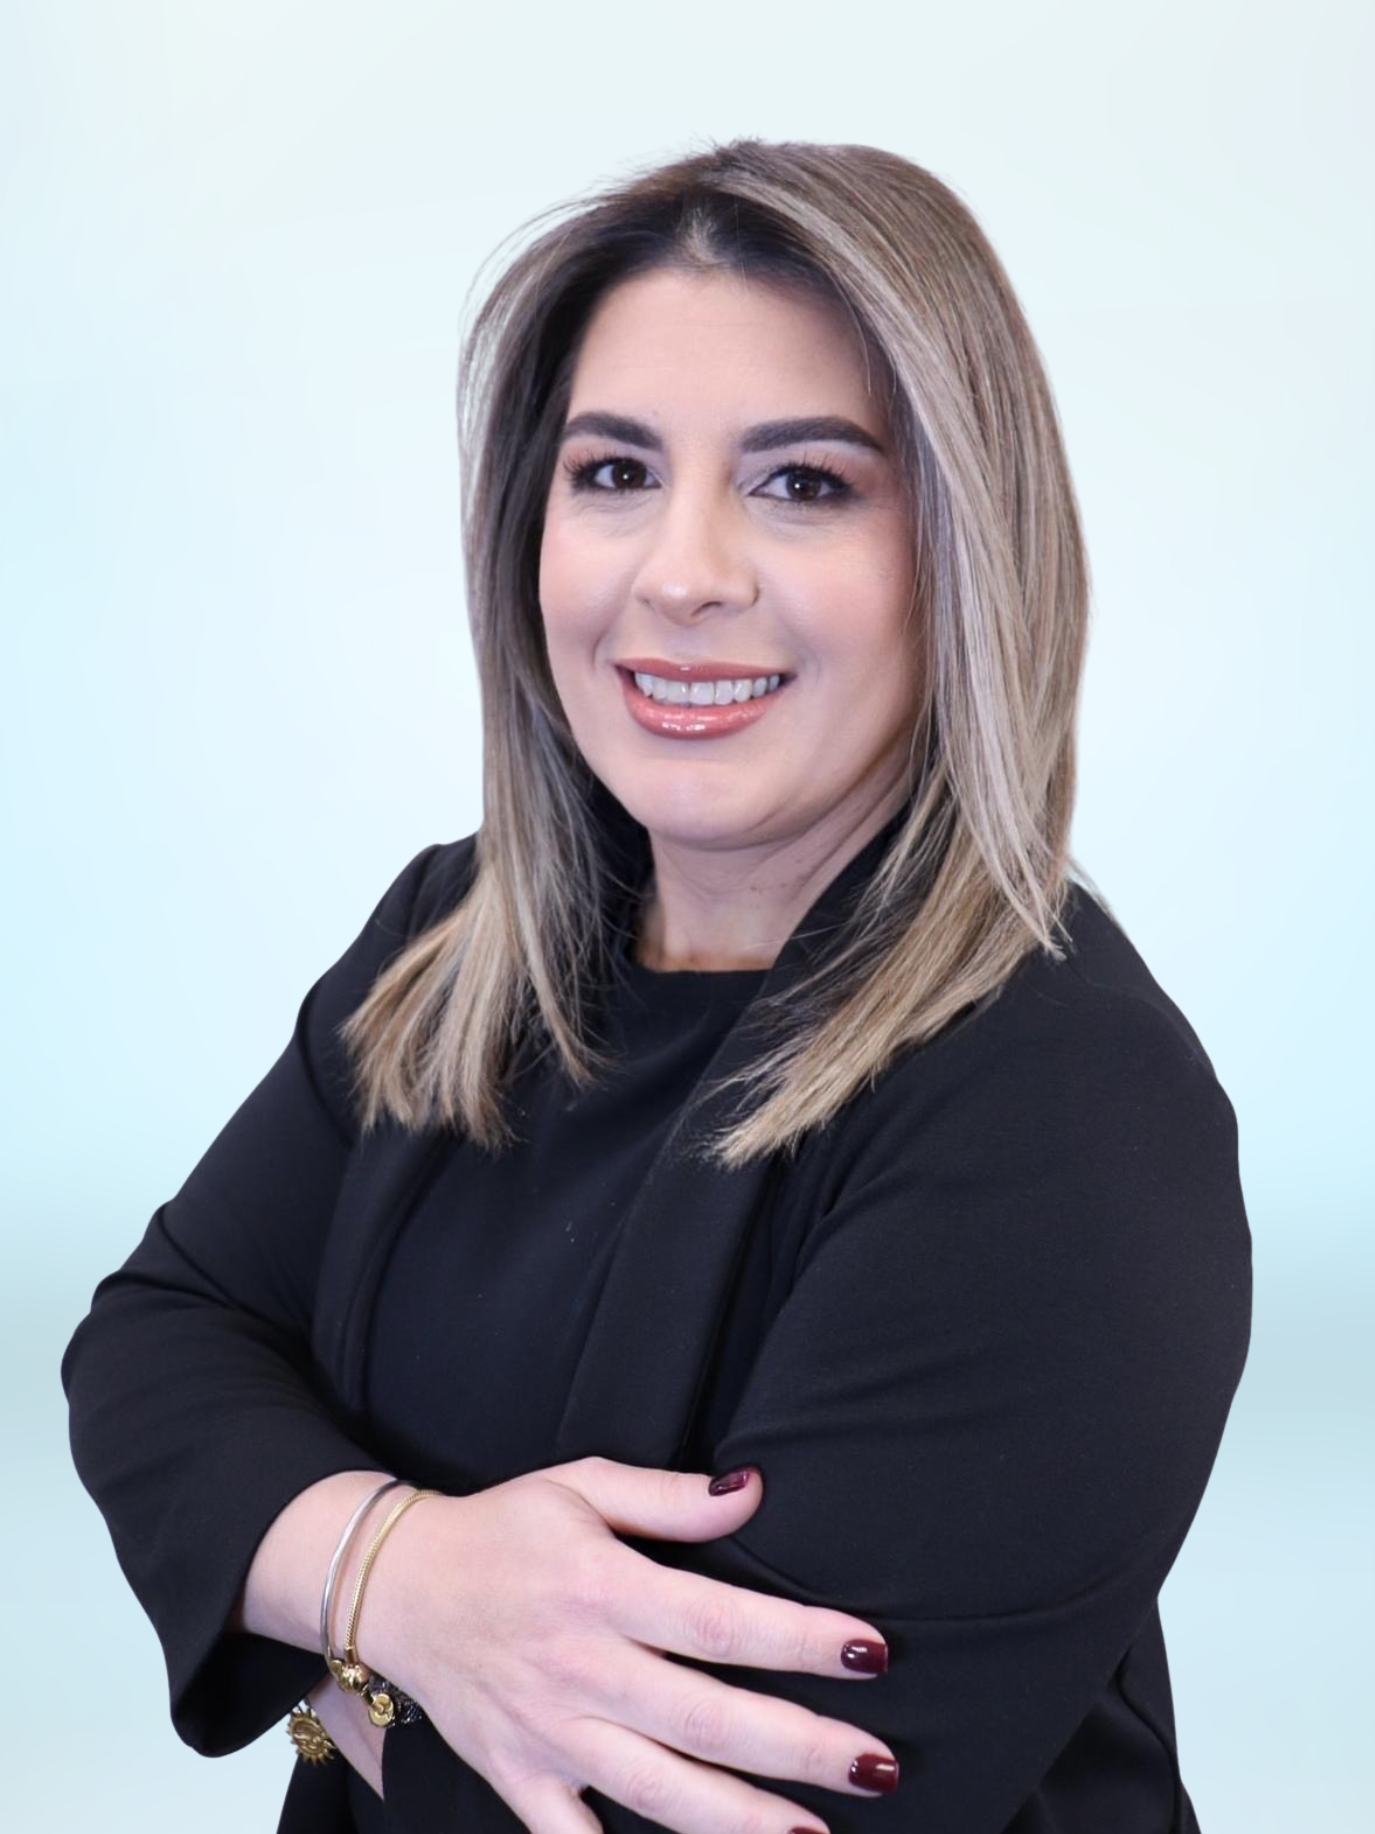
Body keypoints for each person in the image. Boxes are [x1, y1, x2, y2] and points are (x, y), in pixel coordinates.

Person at [61, 137, 1252, 1834]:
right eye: (613, 471)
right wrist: (404, 1575)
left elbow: (663, 1814)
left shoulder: (1064, 1106)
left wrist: (323, 1649)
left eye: (803, 483)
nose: (680, 573)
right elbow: (156, 1341)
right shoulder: (451, 947)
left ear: (963, 551)